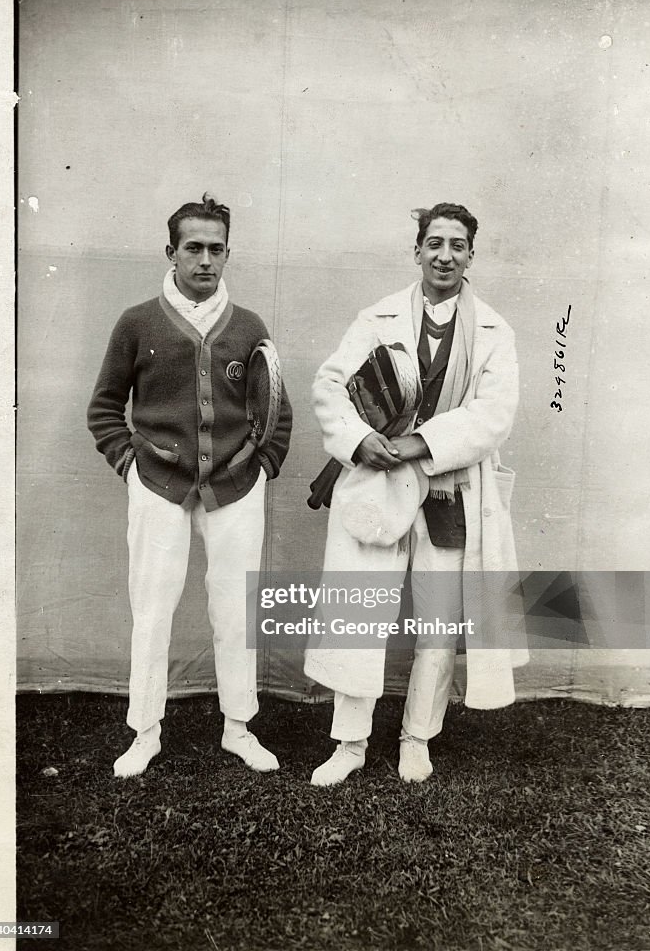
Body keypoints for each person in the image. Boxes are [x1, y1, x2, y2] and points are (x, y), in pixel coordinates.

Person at [305, 202, 526, 787]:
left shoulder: (495, 332)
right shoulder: (376, 317)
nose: (444, 255)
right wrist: (359, 439)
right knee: (359, 614)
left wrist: (418, 444)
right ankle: (350, 742)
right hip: (378, 481)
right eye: (434, 243)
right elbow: (330, 385)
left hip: (451, 489)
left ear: (471, 255)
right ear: (417, 250)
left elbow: (494, 416)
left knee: (438, 622)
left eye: (457, 245)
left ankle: (416, 738)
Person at [88, 193, 292, 778]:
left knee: (235, 608)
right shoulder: (138, 322)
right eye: (193, 248)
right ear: (171, 251)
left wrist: (264, 464)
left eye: (216, 249)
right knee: (152, 606)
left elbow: (276, 404)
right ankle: (145, 729)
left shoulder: (248, 325)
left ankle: (239, 727)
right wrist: (129, 461)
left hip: (234, 485)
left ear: (229, 252)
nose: (205, 260)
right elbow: (104, 406)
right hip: (157, 484)